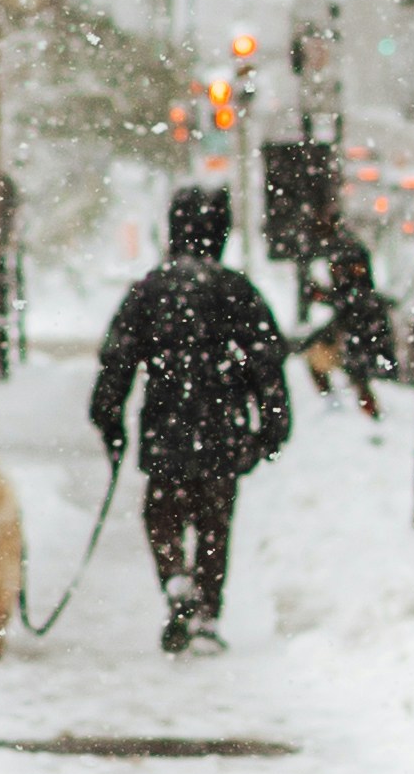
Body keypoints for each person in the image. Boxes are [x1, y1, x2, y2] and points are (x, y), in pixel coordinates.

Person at [89, 182, 297, 649]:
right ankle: (205, 607)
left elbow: (117, 360)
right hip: (223, 427)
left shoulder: (150, 290)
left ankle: (175, 580)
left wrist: (109, 417)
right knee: (214, 522)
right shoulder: (238, 292)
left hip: (166, 425)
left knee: (161, 512)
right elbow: (268, 364)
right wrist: (272, 424)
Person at [300, 226, 404, 420]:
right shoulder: (353, 283)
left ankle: (360, 408)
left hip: (362, 341)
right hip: (358, 340)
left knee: (355, 370)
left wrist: (326, 297)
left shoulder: (357, 290)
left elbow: (353, 300)